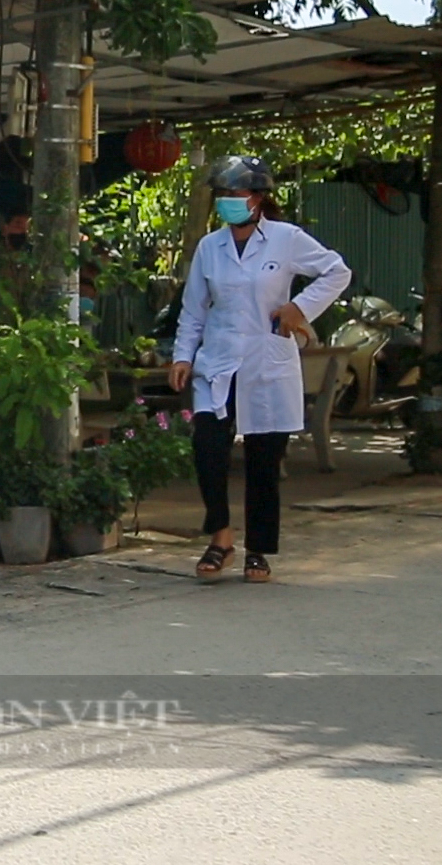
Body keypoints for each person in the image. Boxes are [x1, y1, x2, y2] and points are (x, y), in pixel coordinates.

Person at [169, 155, 351, 583]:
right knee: (209, 450)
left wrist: (298, 308)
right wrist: (183, 355)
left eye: (236, 194)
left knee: (263, 460)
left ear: (258, 198)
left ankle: (259, 551)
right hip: (218, 364)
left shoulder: (286, 239)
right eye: (223, 195)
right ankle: (221, 537)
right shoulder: (208, 248)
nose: (229, 202)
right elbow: (194, 309)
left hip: (266, 362)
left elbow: (336, 271)